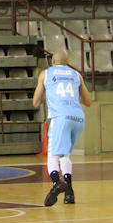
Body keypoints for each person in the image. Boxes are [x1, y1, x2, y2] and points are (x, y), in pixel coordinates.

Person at [32, 50, 92, 207]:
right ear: (67, 63)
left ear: (52, 62)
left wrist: (49, 94)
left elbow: (35, 102)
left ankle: (56, 183)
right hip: (78, 117)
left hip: (60, 117)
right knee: (65, 154)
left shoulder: (46, 73)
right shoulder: (76, 74)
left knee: (52, 154)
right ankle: (69, 193)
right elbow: (88, 101)